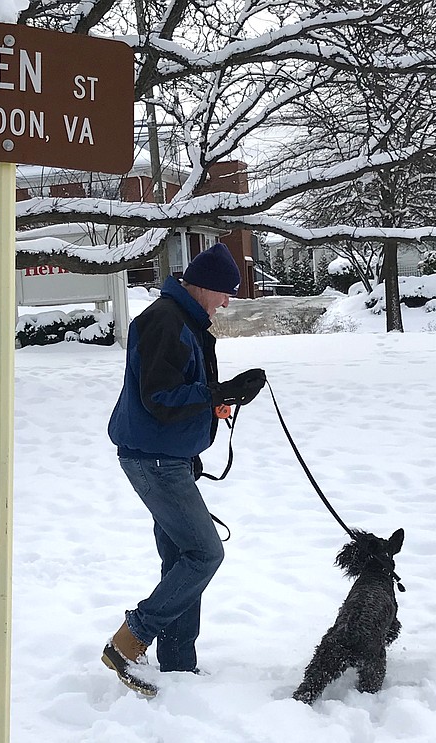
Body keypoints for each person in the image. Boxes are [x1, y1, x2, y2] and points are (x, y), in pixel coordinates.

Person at [102, 242, 266, 696]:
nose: (227, 302)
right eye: (224, 293)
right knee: (204, 553)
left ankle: (177, 665)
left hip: (167, 456)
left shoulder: (182, 319)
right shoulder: (165, 322)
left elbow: (180, 391)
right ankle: (130, 640)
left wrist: (223, 397)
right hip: (153, 459)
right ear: (202, 285)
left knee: (179, 557)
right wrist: (219, 393)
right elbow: (160, 398)